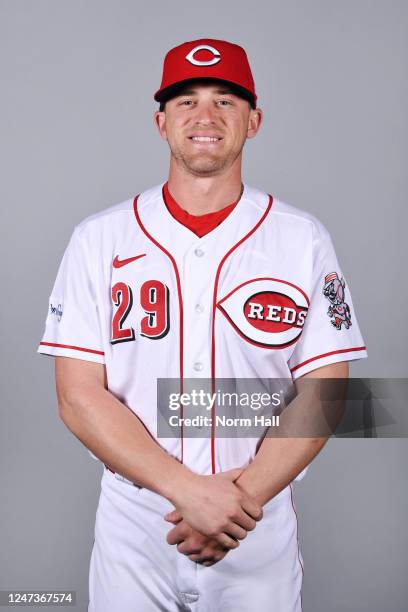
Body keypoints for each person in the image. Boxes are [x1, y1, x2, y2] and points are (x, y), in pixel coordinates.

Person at [38, 38, 368, 611]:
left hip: (255, 518)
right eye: (186, 101)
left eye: (226, 101)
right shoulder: (100, 238)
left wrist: (238, 503)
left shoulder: (300, 237)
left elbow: (326, 389)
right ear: (161, 122)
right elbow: (77, 395)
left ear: (254, 120)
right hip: (135, 523)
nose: (206, 117)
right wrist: (188, 491)